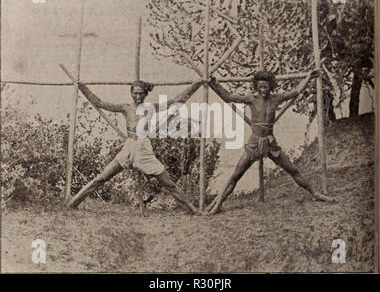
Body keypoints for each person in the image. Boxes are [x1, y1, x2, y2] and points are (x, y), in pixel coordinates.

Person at [67, 79, 203, 215]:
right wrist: (82, 86)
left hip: (143, 148)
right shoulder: (125, 108)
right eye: (135, 93)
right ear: (131, 93)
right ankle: (72, 204)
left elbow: (175, 102)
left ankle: (193, 210)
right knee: (101, 178)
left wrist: (196, 85)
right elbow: (99, 103)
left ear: (145, 94)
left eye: (141, 94)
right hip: (128, 147)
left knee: (168, 184)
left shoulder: (151, 108)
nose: (138, 97)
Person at [207, 70, 335, 214]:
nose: (263, 90)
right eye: (260, 87)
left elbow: (296, 91)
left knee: (293, 170)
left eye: (265, 87)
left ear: (270, 86)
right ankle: (218, 205)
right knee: (236, 175)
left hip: (271, 143)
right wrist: (214, 84)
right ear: (256, 86)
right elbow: (228, 96)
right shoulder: (251, 99)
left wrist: (308, 77)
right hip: (254, 143)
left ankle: (315, 194)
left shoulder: (276, 98)